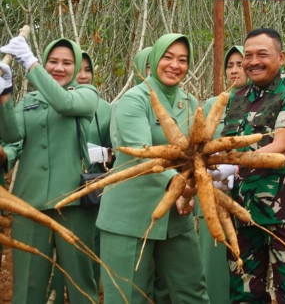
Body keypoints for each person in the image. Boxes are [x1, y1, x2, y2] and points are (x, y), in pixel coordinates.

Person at [96, 32, 209, 303]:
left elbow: (193, 154)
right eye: (168, 57)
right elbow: (143, 154)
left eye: (182, 60)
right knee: (128, 295)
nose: (175, 65)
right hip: (130, 216)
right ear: (155, 58)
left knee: (191, 291)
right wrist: (177, 186)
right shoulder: (134, 100)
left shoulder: (191, 103)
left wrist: (192, 184)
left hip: (176, 216)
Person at [0, 35, 100, 304]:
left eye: (67, 63)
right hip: (30, 205)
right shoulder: (29, 101)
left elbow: (63, 104)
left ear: (76, 67)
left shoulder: (86, 95)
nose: (59, 67)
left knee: (81, 286)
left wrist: (31, 64)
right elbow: (11, 136)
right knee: (27, 287)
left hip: (74, 205)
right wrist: (5, 97)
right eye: (53, 61)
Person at [221, 27, 285, 303]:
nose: (253, 61)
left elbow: (282, 146)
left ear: (282, 57)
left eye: (262, 54)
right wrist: (215, 166)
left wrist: (235, 164)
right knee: (244, 294)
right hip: (242, 212)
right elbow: (227, 142)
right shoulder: (237, 97)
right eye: (247, 55)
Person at [48, 50, 113, 304]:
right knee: (54, 246)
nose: (83, 75)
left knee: (89, 246)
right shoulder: (53, 104)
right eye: (80, 69)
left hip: (91, 188)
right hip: (56, 187)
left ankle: (88, 290)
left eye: (88, 70)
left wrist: (102, 154)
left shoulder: (105, 108)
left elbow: (116, 150)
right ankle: (54, 290)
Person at [198, 44, 246, 303]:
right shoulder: (210, 105)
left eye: (240, 64)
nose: (235, 70)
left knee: (246, 264)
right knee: (213, 260)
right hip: (213, 196)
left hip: (249, 195)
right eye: (230, 65)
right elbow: (198, 147)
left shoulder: (261, 103)